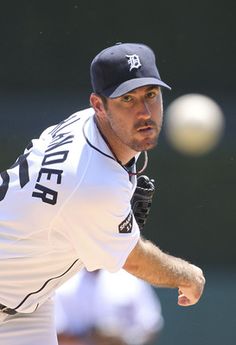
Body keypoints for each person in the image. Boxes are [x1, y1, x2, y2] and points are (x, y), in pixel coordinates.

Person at [0, 42, 205, 345]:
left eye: (151, 94)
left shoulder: (85, 124)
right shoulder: (93, 184)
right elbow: (133, 260)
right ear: (99, 105)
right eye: (127, 99)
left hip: (26, 304)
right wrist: (188, 276)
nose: (144, 111)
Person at [55, 268, 164, 345]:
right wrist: (90, 338)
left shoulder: (130, 279)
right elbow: (56, 333)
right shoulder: (64, 283)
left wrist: (126, 339)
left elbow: (151, 325)